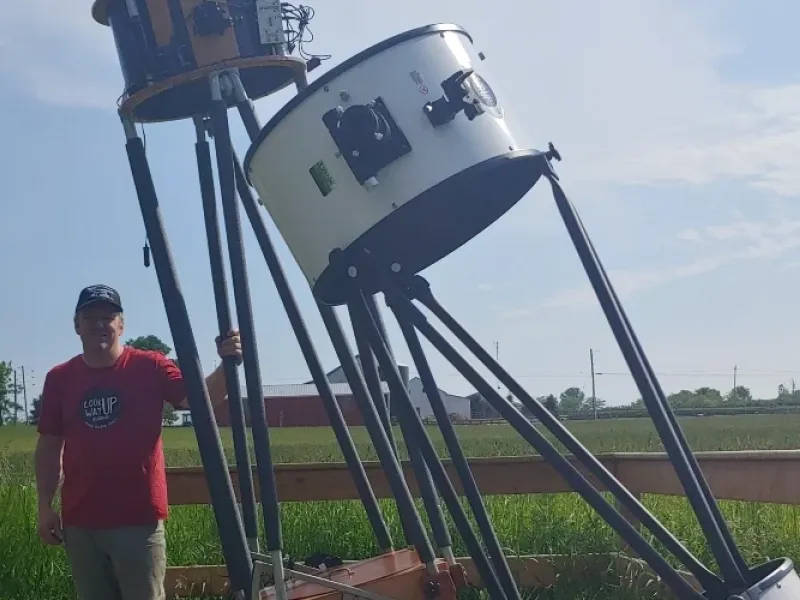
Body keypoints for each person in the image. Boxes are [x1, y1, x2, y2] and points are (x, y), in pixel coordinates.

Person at [34, 284, 242, 600]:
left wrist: (227, 366)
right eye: (90, 317)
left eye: (108, 317)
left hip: (137, 521)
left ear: (121, 324)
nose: (100, 325)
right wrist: (44, 507)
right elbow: (50, 445)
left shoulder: (150, 366)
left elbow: (196, 400)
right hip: (80, 524)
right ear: (77, 325)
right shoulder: (60, 378)